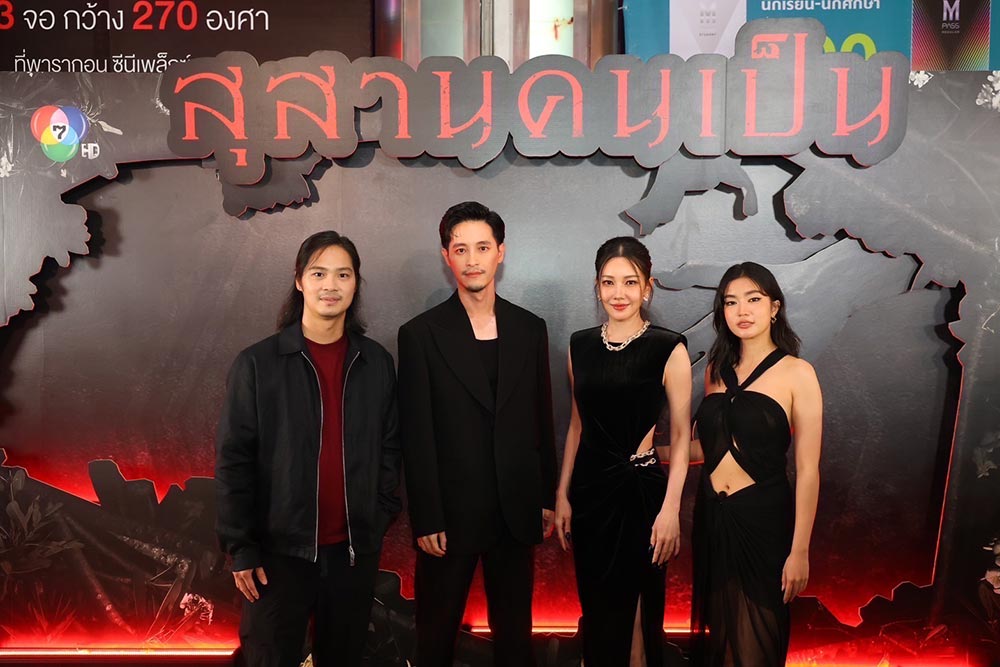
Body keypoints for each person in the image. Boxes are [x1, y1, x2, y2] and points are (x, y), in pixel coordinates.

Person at [215, 231, 402, 667]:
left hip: (351, 554)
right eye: (319, 274)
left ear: (356, 284)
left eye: (343, 274)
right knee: (268, 657)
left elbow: (390, 447)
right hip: (277, 555)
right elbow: (234, 461)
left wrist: (378, 515)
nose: (330, 285)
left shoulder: (376, 362)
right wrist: (241, 547)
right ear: (299, 280)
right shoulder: (257, 364)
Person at [397, 201, 558, 667]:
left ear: (500, 253)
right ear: (446, 256)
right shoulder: (420, 334)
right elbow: (416, 434)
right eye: (461, 249)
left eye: (482, 248)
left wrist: (545, 495)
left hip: (516, 509)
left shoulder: (529, 328)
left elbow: (541, 418)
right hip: (449, 516)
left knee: (515, 640)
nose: (472, 260)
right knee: (436, 638)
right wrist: (426, 516)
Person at [553, 236, 692, 667]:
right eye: (608, 282)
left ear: (647, 287)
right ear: (597, 287)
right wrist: (562, 494)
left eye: (630, 282)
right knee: (598, 608)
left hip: (641, 494)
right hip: (589, 493)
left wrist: (671, 509)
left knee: (637, 610)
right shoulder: (579, 346)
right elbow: (577, 425)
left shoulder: (669, 347)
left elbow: (682, 437)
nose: (619, 293)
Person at [691, 261, 822, 666]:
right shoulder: (715, 371)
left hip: (764, 522)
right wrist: (645, 453)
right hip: (713, 516)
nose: (742, 311)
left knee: (756, 643)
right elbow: (706, 449)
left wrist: (799, 550)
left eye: (753, 299)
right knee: (720, 640)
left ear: (774, 307)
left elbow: (808, 469)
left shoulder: (798, 373)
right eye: (731, 302)